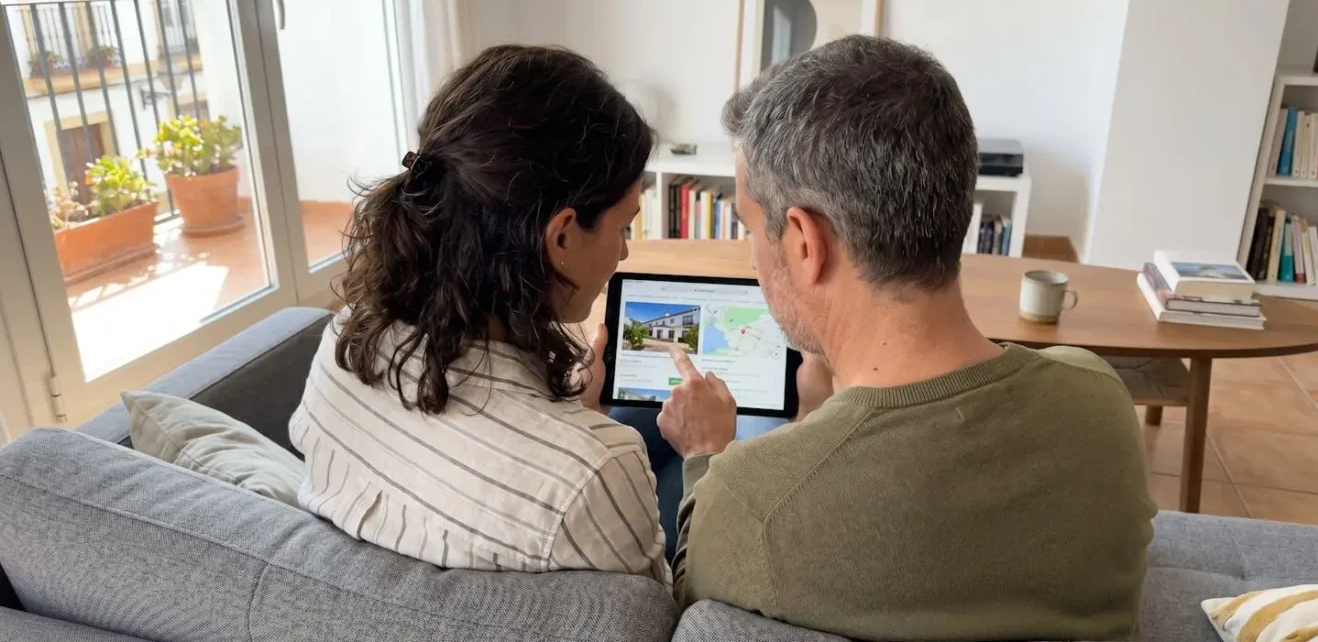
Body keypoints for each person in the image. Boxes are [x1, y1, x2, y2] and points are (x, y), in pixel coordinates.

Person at [657, 36, 1157, 641]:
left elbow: (686, 594)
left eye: (749, 228)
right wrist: (823, 408)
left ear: (804, 244)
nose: (753, 257)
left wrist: (705, 454)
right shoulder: (1098, 397)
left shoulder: (753, 499)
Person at [288, 45, 670, 583]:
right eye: (623, 226)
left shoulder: (344, 342)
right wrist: (711, 461)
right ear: (560, 236)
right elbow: (662, 616)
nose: (624, 252)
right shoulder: (595, 471)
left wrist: (572, 412)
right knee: (675, 446)